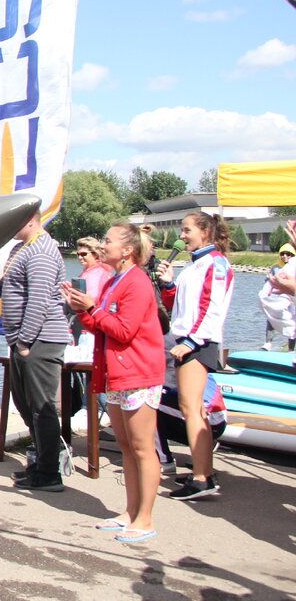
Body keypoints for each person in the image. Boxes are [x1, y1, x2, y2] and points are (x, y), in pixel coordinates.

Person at [61, 223, 165, 544]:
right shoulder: (114, 281)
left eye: (108, 241)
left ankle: (145, 518)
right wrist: (83, 309)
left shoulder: (137, 282)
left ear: (128, 251)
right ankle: (130, 511)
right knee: (126, 447)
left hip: (139, 373)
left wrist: (92, 307)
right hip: (118, 374)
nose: (103, 245)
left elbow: (124, 330)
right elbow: (102, 325)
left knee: (142, 447)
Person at [0, 212, 71, 492]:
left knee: (41, 407)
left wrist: (24, 343)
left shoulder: (42, 252)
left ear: (32, 221)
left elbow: (39, 300)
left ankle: (49, 473)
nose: (9, 228)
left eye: (15, 222)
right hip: (25, 342)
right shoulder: (21, 249)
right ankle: (38, 465)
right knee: (26, 405)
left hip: (39, 341)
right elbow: (8, 288)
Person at [156, 211, 234, 501]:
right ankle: (203, 472)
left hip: (197, 344)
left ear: (205, 231)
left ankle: (202, 478)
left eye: (187, 230)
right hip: (187, 341)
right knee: (192, 409)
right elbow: (183, 308)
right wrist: (168, 285)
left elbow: (211, 309)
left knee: (192, 409)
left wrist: (190, 342)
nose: (183, 235)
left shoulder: (215, 263)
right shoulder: (198, 264)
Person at [155, 376, 227, 474]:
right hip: (218, 420)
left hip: (207, 418)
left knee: (148, 406)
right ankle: (205, 447)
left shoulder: (175, 363)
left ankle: (164, 461)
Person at [259, 243, 295, 351]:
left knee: (292, 322)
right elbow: (268, 282)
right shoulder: (276, 267)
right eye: (283, 253)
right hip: (277, 298)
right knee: (271, 319)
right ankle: (268, 343)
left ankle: (291, 348)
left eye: (289, 254)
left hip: (291, 299)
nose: (285, 256)